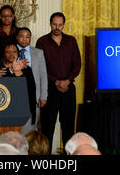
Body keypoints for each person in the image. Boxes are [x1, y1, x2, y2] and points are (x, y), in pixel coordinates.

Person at [36, 12, 81, 152]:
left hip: (68, 89)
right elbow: (40, 66)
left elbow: (77, 64)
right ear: (50, 24)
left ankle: (69, 158)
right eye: (54, 24)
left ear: (63, 25)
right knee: (47, 128)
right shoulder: (42, 41)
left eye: (60, 24)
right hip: (49, 90)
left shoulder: (71, 41)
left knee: (68, 128)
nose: (57, 27)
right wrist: (56, 81)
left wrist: (67, 81)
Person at [16, 27, 47, 133]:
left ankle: (29, 149)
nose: (24, 39)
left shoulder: (38, 53)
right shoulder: (11, 51)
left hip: (34, 95)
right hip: (16, 94)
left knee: (31, 127)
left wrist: (43, 96)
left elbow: (43, 75)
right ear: (17, 37)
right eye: (21, 36)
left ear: (30, 38)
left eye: (27, 37)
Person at [0, 43, 37, 129]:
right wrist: (11, 70)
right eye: (8, 52)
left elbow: (31, 91)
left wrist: (18, 72)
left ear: (18, 53)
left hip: (24, 111)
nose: (11, 54)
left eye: (14, 51)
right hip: (4, 113)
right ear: (4, 54)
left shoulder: (26, 69)